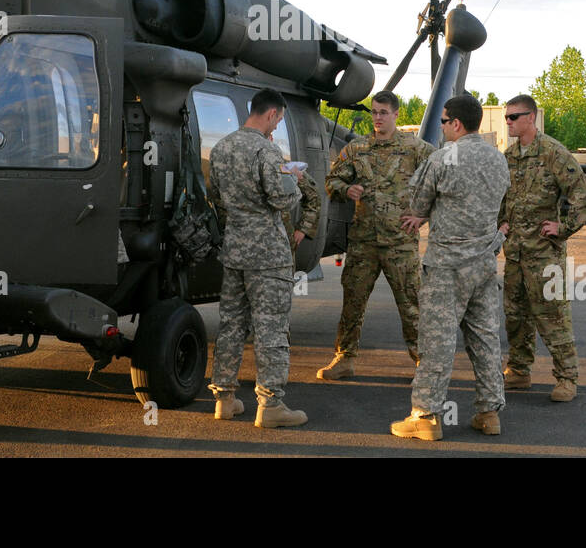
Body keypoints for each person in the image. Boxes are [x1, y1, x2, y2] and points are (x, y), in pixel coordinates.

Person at [390, 94, 510, 441]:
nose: (441, 128)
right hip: (484, 263)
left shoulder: (443, 158)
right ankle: (489, 412)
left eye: (443, 122)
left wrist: (423, 214)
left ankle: (425, 416)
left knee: (437, 340)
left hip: (447, 266)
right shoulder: (498, 160)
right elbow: (502, 205)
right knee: (485, 338)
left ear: (456, 124)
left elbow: (417, 202)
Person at [205, 88, 308, 428]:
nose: (276, 126)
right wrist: (294, 180)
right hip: (268, 256)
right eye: (277, 119)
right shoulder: (266, 151)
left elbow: (216, 200)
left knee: (232, 326)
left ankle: (224, 399)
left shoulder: (221, 149)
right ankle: (271, 406)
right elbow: (281, 200)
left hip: (235, 251)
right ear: (272, 114)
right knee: (271, 330)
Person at [319, 90, 432, 378]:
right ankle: (344, 359)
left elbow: (441, 181)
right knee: (353, 302)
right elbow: (331, 181)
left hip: (400, 243)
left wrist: (424, 215)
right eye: (374, 112)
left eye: (384, 112)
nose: (378, 118)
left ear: (396, 114)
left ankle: (425, 364)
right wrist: (347, 189)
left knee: (411, 305)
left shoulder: (415, 148)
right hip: (363, 242)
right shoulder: (358, 149)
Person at [497, 94, 586, 403]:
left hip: (544, 255)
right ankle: (519, 371)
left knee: (553, 317)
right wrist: (501, 224)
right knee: (515, 316)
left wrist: (562, 228)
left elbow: (581, 194)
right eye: (507, 116)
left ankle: (567, 377)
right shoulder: (509, 157)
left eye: (514, 117)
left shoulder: (553, 153)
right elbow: (502, 197)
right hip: (515, 253)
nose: (508, 122)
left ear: (531, 118)